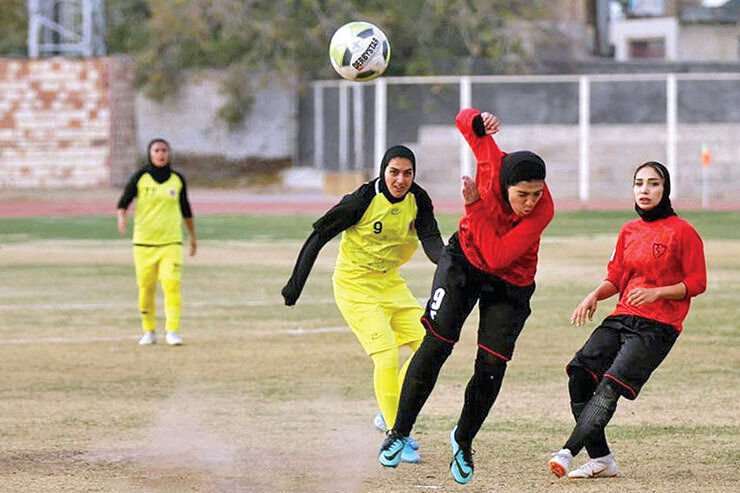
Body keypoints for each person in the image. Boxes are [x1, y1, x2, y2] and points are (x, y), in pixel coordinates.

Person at [378, 108, 554, 485]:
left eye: (537, 194)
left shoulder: (543, 211)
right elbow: (461, 119)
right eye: (523, 195)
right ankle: (400, 430)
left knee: (491, 365)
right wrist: (480, 120)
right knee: (436, 345)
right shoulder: (491, 163)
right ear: (505, 184)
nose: (530, 203)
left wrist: (474, 207)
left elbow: (499, 257)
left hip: (511, 282)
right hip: (463, 264)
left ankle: (463, 438)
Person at [281, 145, 444, 463]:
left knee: (430, 344)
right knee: (386, 357)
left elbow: (433, 242)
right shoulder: (361, 200)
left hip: (391, 284)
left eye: (407, 173)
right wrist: (295, 285)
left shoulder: (419, 200)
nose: (400, 180)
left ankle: (389, 413)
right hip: (355, 285)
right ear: (383, 170)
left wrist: (454, 267)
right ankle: (398, 434)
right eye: (394, 172)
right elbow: (318, 236)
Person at [548, 161, 706, 479]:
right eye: (638, 183)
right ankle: (602, 459)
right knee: (579, 374)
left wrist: (658, 293)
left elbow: (698, 282)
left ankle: (567, 452)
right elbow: (617, 278)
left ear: (666, 189)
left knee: (609, 386)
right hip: (621, 318)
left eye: (653, 183)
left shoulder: (683, 232)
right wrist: (594, 295)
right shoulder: (628, 230)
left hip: (657, 327)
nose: (644, 190)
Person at [116, 138, 197, 346]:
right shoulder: (140, 177)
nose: (161, 154)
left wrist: (193, 238)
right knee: (146, 288)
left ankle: (172, 330)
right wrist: (121, 217)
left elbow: (186, 209)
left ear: (169, 154)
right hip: (144, 244)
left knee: (171, 284)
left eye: (164, 150)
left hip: (171, 242)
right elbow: (123, 202)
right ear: (150, 154)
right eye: (156, 150)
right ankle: (148, 330)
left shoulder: (177, 180)